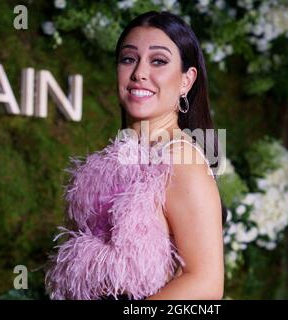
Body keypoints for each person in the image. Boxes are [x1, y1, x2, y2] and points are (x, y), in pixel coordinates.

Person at [45, 10, 226, 300]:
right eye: (129, 59)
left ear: (186, 80)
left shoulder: (181, 160)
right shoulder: (118, 157)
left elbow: (205, 285)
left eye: (158, 61)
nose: (140, 72)